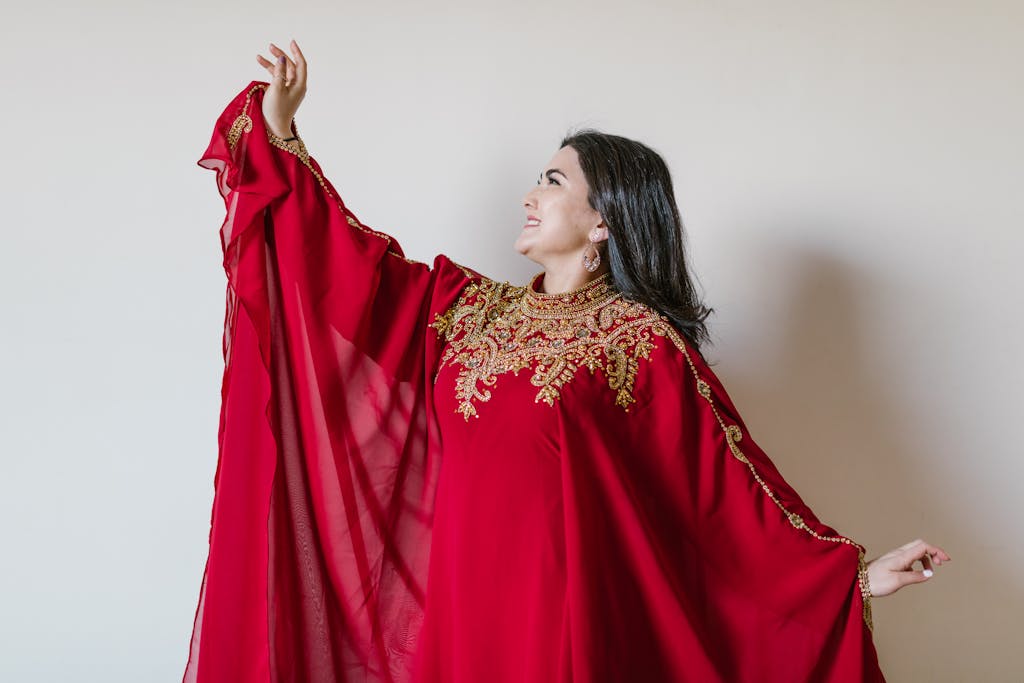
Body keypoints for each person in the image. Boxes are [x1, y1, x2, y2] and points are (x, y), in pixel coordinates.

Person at [182, 39, 951, 683]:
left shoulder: (637, 341)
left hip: (562, 628)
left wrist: (855, 576)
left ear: (603, 221)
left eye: (552, 181)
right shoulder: (465, 309)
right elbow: (351, 273)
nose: (529, 194)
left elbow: (727, 497)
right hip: (461, 616)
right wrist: (282, 139)